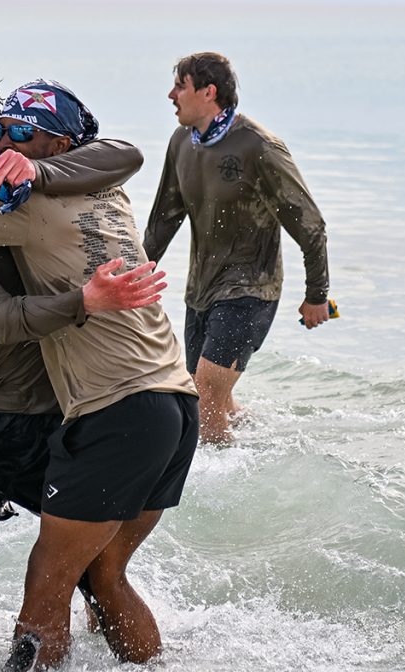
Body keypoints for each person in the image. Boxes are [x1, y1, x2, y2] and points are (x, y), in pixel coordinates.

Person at [0, 78, 200, 672]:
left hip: (100, 410)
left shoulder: (31, 195)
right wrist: (83, 300)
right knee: (100, 575)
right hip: (159, 399)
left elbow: (116, 152)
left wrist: (33, 176)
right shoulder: (101, 193)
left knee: (49, 581)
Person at [144, 52, 331, 444]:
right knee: (207, 394)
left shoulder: (258, 147)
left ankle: (218, 489)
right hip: (201, 292)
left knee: (205, 395)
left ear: (208, 92)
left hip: (250, 289)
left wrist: (317, 295)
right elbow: (164, 218)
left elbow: (310, 225)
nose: (170, 95)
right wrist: (135, 277)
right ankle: (264, 444)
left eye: (180, 85)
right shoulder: (182, 142)